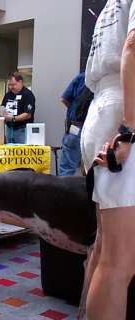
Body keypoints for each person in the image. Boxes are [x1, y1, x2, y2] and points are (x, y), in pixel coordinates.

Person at [80, 1, 135, 319]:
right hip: (122, 116)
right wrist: (128, 129)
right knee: (120, 259)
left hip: (105, 108)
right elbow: (133, 45)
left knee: (106, 247)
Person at [59, 72, 94, 176]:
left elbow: (64, 99)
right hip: (98, 128)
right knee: (96, 167)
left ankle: (64, 191)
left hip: (76, 125)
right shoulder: (109, 76)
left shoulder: (83, 76)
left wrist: (74, 111)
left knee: (67, 168)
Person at [1, 72, 36, 144]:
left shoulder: (27, 94)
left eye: (13, 85)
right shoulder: (8, 94)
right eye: (9, 85)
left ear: (20, 82)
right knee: (9, 153)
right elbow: (3, 107)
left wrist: (13, 118)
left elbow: (28, 114)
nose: (10, 87)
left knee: (21, 153)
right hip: (9, 129)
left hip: (22, 130)